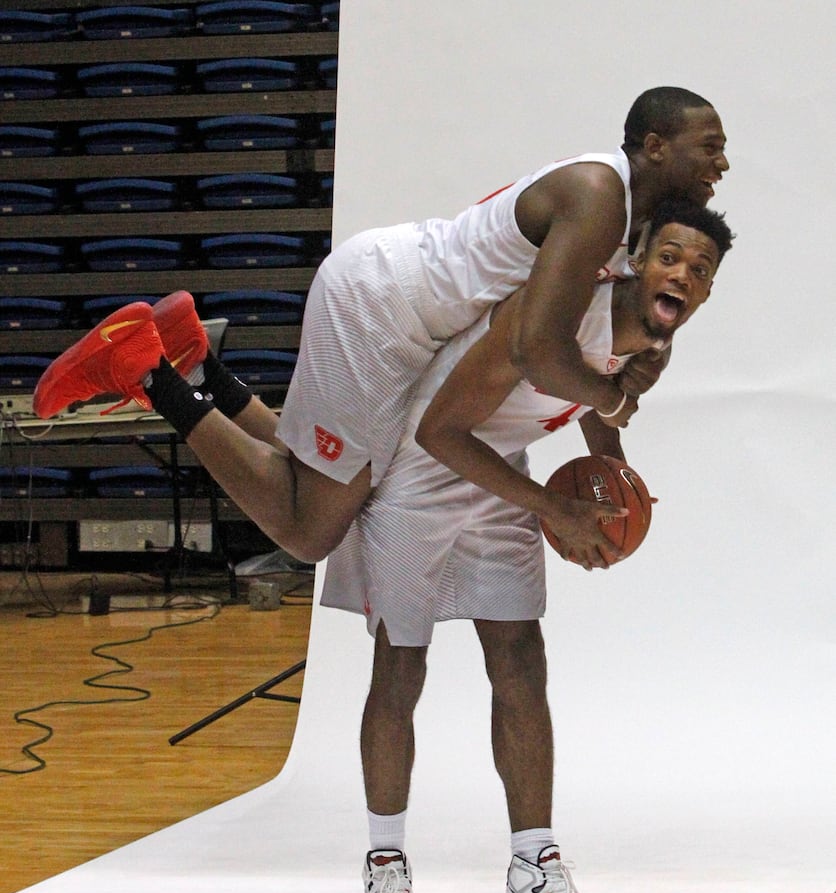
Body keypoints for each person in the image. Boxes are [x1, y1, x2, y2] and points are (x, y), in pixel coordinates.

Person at [33, 87, 729, 566]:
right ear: (655, 145)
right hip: (382, 307)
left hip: (408, 320)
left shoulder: (632, 221)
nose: (721, 164)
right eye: (710, 147)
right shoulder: (599, 196)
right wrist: (611, 401)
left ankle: (196, 361)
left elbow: (577, 351)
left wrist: (612, 466)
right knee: (310, 529)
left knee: (325, 477)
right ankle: (148, 372)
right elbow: (539, 351)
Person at [320, 199, 734, 893]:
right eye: (670, 256)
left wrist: (612, 483)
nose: (683, 273)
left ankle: (533, 882)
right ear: (636, 260)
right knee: (401, 666)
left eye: (700, 269)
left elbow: (592, 398)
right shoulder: (563, 308)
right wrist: (556, 509)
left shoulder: (651, 345)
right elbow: (439, 430)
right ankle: (386, 870)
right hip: (421, 469)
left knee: (520, 662)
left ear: (706, 293)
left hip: (498, 473)